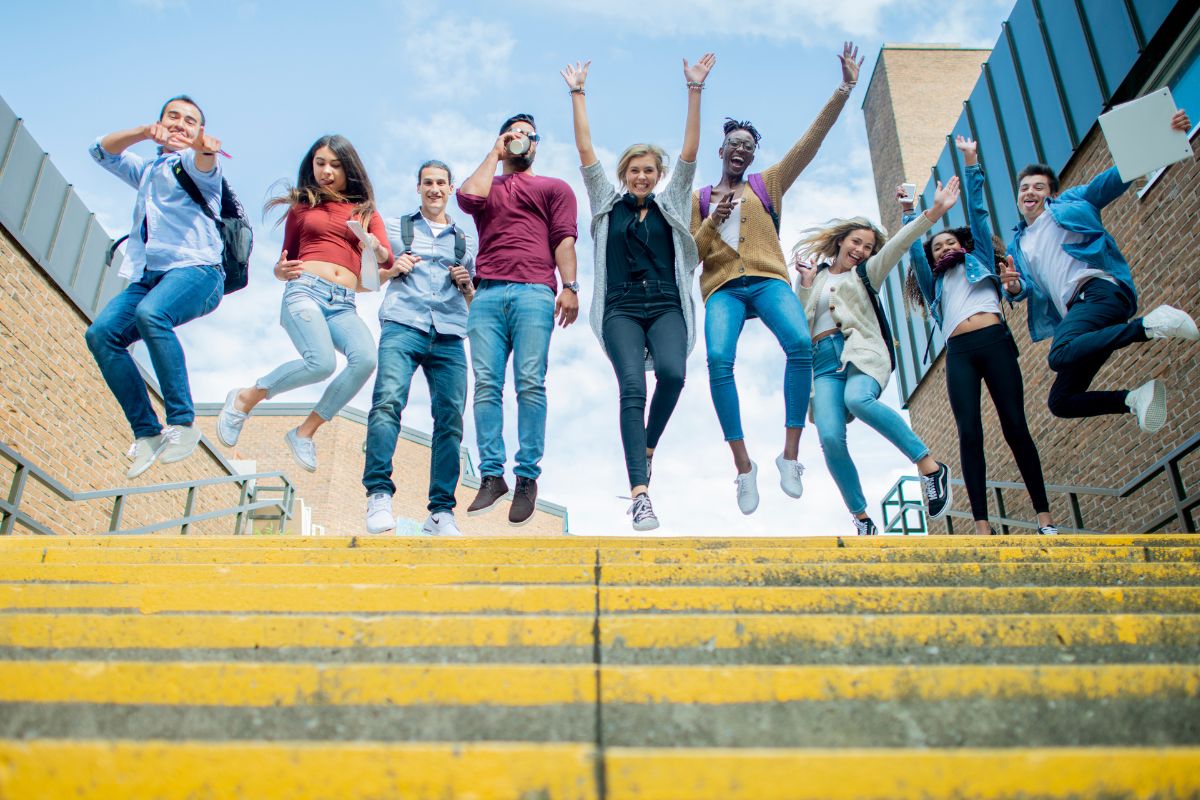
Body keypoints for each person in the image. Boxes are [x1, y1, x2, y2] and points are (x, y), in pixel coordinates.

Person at [690, 42, 862, 515]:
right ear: (721, 149)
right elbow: (690, 253)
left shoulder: (769, 183)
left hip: (768, 280)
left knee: (800, 346)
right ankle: (744, 467)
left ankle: (790, 456)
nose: (742, 150)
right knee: (720, 361)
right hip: (723, 288)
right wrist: (712, 220)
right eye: (735, 144)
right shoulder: (702, 197)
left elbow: (810, 142)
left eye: (749, 145)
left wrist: (844, 89)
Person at [563, 53, 715, 531]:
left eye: (650, 170)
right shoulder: (607, 203)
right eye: (635, 169)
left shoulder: (672, 200)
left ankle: (647, 446)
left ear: (657, 173)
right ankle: (640, 494)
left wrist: (695, 90)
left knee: (672, 374)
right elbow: (585, 151)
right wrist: (578, 94)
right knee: (632, 386)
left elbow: (690, 152)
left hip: (667, 303)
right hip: (621, 309)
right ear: (625, 172)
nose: (642, 176)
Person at [903, 136, 1057, 536]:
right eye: (938, 246)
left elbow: (979, 213)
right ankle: (983, 525)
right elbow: (914, 252)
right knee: (969, 433)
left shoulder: (981, 261)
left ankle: (1044, 518)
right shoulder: (934, 283)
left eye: (950, 242)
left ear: (964, 245)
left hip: (995, 344)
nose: (943, 248)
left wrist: (970, 161)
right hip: (960, 352)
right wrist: (910, 213)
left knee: (1015, 427)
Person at [1009, 109, 1197, 432]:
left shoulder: (1070, 203)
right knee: (1060, 400)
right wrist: (1013, 289)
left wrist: (1164, 134)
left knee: (1059, 354)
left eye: (1038, 187)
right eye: (1024, 188)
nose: (1029, 192)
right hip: (1083, 316)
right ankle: (1134, 399)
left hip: (1100, 290)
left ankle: (1148, 326)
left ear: (1051, 194)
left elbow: (1113, 178)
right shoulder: (1019, 244)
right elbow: (1024, 287)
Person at [792, 178, 960, 536]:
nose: (861, 249)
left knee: (859, 398)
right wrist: (805, 284)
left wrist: (933, 212)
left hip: (860, 351)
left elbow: (899, 244)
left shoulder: (866, 272)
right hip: (822, 364)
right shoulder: (814, 279)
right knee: (831, 436)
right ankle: (862, 518)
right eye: (856, 242)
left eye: (867, 246)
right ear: (841, 241)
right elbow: (801, 321)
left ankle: (930, 467)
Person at [216, 135, 391, 471]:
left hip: (343, 303)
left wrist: (373, 243)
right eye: (320, 163)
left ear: (349, 168)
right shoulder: (302, 207)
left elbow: (385, 258)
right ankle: (245, 398)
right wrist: (279, 270)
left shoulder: (366, 212)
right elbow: (287, 259)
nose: (326, 171)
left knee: (366, 359)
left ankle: (304, 433)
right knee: (321, 363)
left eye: (335, 165)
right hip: (305, 291)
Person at [85, 95, 227, 478]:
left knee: (152, 314)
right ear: (160, 124)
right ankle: (147, 432)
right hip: (149, 275)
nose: (181, 124)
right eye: (172, 117)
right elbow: (100, 152)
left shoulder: (193, 166)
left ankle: (182, 422)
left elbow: (204, 162)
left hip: (198, 271)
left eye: (191, 121)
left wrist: (204, 148)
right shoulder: (148, 169)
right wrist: (142, 132)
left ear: (200, 131)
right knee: (102, 334)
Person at [457, 114, 579, 526]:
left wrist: (571, 286)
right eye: (515, 134)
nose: (522, 140)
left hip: (533, 292)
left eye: (530, 135)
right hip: (487, 293)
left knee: (530, 381)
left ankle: (527, 477)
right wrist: (495, 151)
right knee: (487, 384)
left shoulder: (554, 188)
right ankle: (493, 476)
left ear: (538, 145)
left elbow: (563, 238)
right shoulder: (486, 184)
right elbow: (467, 200)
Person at [362, 160, 476, 536]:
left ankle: (441, 512)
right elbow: (367, 279)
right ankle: (378, 493)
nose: (434, 189)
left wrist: (467, 286)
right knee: (388, 402)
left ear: (450, 187)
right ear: (418, 187)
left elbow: (477, 302)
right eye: (428, 182)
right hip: (403, 325)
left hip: (448, 334)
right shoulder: (397, 228)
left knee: (450, 422)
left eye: (441, 183)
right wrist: (393, 270)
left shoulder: (466, 240)